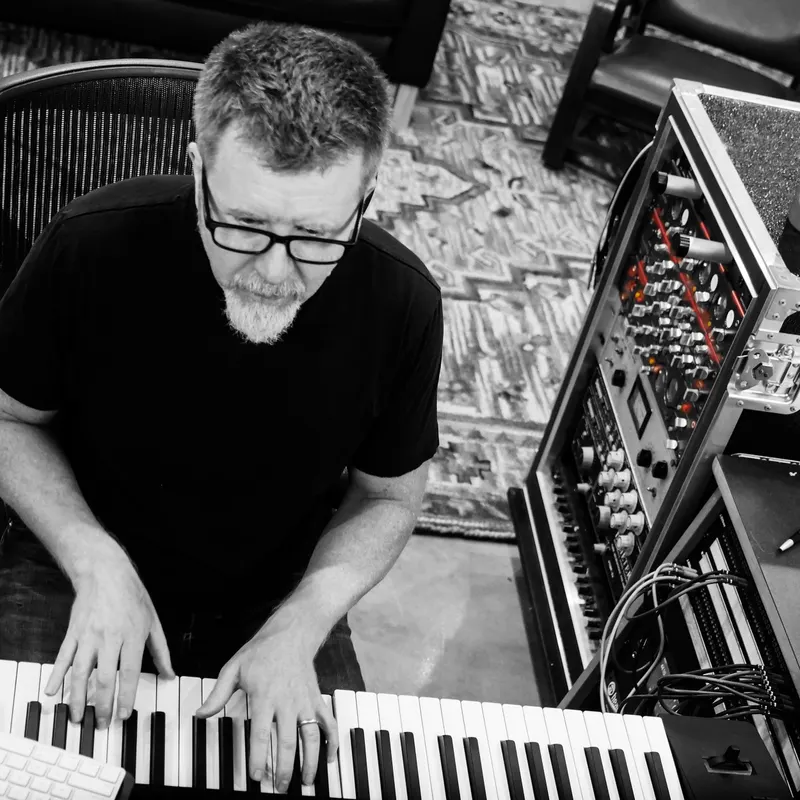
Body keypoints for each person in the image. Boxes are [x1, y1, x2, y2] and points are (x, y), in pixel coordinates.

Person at [0, 21, 442, 792]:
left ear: (366, 199)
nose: (273, 271)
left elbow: (388, 496)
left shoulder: (403, 302)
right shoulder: (88, 245)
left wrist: (304, 621)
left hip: (282, 590)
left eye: (315, 235)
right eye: (243, 225)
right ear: (198, 168)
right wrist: (93, 558)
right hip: (77, 552)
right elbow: (8, 419)